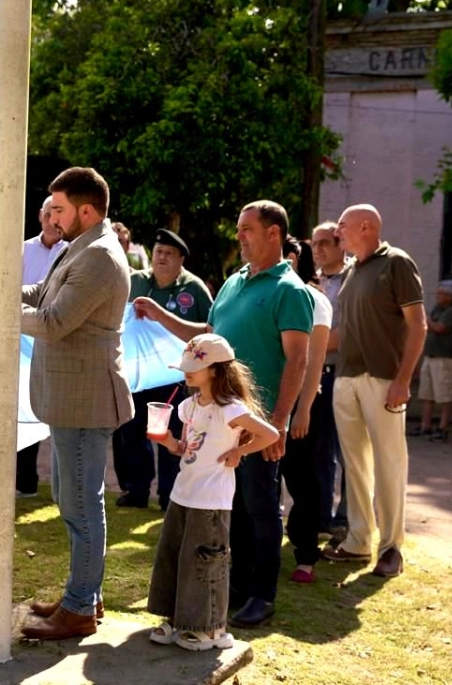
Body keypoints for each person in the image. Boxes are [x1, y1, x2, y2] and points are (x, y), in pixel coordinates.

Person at [0, 167, 134, 640]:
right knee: (75, 501)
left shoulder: (98, 255)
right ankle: (85, 595)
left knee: (80, 504)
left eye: (58, 209)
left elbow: (54, 321)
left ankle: (79, 607)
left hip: (85, 398)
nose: (51, 217)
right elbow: (41, 294)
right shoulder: (81, 247)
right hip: (73, 396)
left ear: (86, 209)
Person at [134, 199, 312, 628]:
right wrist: (159, 315)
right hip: (217, 422)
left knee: (260, 509)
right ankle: (230, 587)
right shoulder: (233, 283)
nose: (239, 236)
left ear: (274, 233)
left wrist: (279, 423)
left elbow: (298, 361)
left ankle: (261, 594)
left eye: (247, 229)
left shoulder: (291, 291)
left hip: (255, 424)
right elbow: (207, 338)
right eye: (239, 229)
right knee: (226, 508)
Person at [146, 334, 279, 651]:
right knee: (174, 555)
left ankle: (209, 628)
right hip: (183, 493)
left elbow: (270, 434)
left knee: (205, 560)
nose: (187, 372)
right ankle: (175, 618)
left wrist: (241, 451)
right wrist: (165, 439)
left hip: (211, 499)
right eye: (186, 366)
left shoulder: (229, 409)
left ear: (217, 371)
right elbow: (184, 449)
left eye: (195, 366)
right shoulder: (188, 406)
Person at [322, 204, 425, 580]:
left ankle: (391, 547)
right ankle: (358, 539)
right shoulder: (352, 271)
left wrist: (403, 379)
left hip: (383, 378)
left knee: (389, 463)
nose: (338, 234)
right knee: (355, 464)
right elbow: (345, 331)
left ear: (366, 226)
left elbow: (418, 326)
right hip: (346, 377)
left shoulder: (397, 262)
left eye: (343, 227)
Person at [114, 228, 212, 511]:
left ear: (182, 259)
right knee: (131, 431)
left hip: (174, 377)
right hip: (135, 375)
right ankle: (136, 490)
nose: (162, 258)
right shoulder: (134, 282)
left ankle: (170, 494)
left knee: (170, 432)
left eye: (170, 254)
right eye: (159, 252)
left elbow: (210, 329)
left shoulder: (193, 289)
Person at [280, 236, 331, 584]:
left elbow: (313, 361)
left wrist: (303, 409)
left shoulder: (315, 299)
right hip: (268, 395)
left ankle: (305, 554)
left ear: (294, 258)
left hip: (304, 401)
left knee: (302, 478)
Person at [16, 196, 68, 497]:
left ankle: (59, 485)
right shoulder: (21, 249)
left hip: (57, 338)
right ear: (40, 215)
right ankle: (25, 479)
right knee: (23, 408)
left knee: (54, 413)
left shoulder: (72, 251)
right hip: (21, 341)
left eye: (58, 213)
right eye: (49, 213)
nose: (53, 220)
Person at [312, 222, 349, 541]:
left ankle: (346, 518)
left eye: (325, 243)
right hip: (316, 374)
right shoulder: (310, 282)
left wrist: (306, 344)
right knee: (320, 450)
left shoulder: (354, 279)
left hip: (346, 372)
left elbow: (345, 334)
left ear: (342, 245)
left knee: (350, 450)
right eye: (314, 244)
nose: (318, 249)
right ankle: (322, 516)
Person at [411, 281, 452, 441]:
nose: (438, 297)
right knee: (426, 393)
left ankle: (442, 427)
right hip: (431, 355)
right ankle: (425, 425)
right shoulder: (438, 309)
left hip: (445, 357)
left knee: (444, 394)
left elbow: (440, 328)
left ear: (450, 296)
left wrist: (424, 319)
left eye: (441, 294)